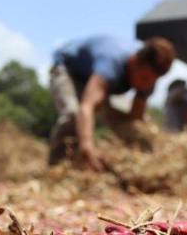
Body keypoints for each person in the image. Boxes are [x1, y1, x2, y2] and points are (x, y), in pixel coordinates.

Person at [48, 36, 176, 171]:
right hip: (68, 70)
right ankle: (56, 168)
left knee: (126, 124)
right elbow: (87, 107)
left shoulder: (148, 78)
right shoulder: (110, 64)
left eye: (152, 81)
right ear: (134, 62)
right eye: (144, 78)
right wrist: (86, 144)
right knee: (73, 114)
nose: (146, 85)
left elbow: (135, 118)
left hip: (99, 82)